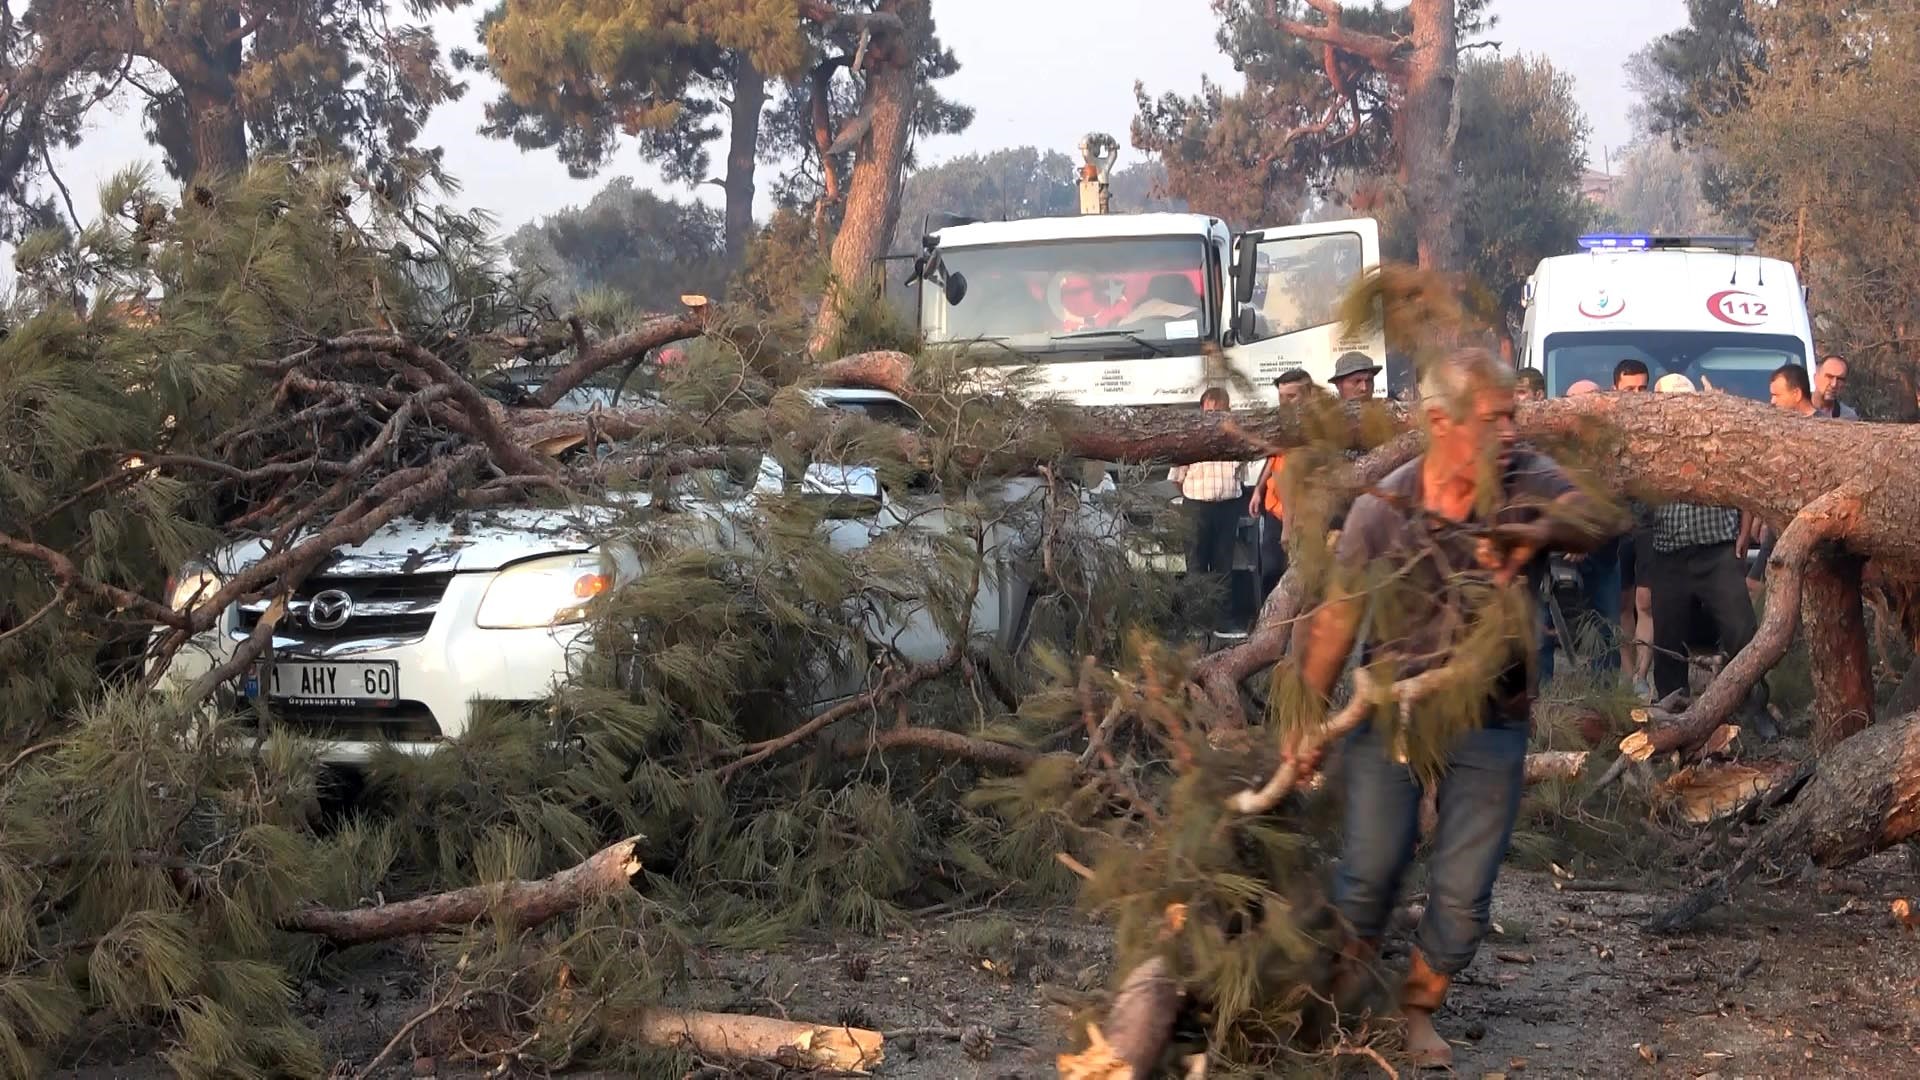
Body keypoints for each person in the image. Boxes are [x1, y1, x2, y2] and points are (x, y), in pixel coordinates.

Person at [1294, 348, 1609, 1069]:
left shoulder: (1526, 478)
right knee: (1370, 869)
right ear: (1440, 421)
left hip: (1493, 716)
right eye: (1492, 418)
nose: (1509, 431)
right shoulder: (1384, 508)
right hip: (1391, 713)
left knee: (1465, 894)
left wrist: (1537, 533)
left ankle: (1416, 1008)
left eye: (1513, 416)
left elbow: (1596, 517)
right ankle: (1339, 999)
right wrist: (1304, 720)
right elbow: (1337, 621)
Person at [1644, 376, 1764, 716]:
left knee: (1741, 629)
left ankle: (1753, 707)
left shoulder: (1717, 438)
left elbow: (1745, 484)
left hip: (1717, 552)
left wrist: (1743, 534)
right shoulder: (1649, 443)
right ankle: (1672, 710)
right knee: (1668, 638)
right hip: (1669, 553)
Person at [1170, 388, 1250, 633]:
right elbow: (1177, 478)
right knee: (1196, 564)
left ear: (1228, 410)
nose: (1214, 415)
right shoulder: (1189, 439)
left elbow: (1242, 475)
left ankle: (1223, 623)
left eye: (1220, 410)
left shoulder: (1237, 439)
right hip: (1196, 507)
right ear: (1202, 409)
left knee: (1222, 566)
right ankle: (1196, 623)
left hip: (1228, 508)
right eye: (1210, 410)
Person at [1738, 364, 1819, 595]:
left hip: (1808, 525)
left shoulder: (1825, 427)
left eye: (1776, 395)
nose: (1772, 401)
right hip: (1777, 524)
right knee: (1755, 586)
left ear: (1796, 394)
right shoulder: (1781, 430)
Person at [1611, 359, 1656, 695]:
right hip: (1614, 527)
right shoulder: (1604, 425)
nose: (1638, 395)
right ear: (1616, 389)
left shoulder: (1658, 427)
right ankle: (1627, 675)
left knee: (1646, 601)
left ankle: (1642, 674)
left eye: (1643, 388)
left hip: (1650, 526)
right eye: (1630, 389)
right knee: (1622, 604)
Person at [1249, 370, 1313, 600]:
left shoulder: (1314, 428)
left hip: (1301, 518)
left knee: (1298, 579)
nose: (1284, 403)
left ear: (1308, 395)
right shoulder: (1283, 423)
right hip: (1274, 511)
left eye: (1291, 396)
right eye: (1281, 397)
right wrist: (1258, 488)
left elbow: (1292, 482)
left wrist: (1288, 528)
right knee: (1270, 574)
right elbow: (1274, 458)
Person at [1811, 354, 1857, 418]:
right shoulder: (1798, 410)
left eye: (1840, 379)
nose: (1834, 384)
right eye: (1829, 377)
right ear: (1815, 378)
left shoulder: (1848, 417)